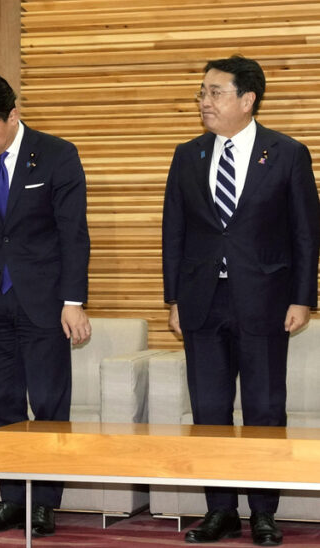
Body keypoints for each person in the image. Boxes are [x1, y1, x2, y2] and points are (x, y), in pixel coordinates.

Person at [163, 55, 320, 547]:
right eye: (201, 93)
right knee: (209, 409)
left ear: (247, 99)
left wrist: (303, 298)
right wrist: (173, 299)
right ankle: (220, 510)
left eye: (213, 92)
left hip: (268, 300)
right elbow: (175, 232)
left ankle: (264, 513)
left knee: (265, 408)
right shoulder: (188, 154)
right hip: (202, 301)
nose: (203, 101)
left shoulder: (287, 153)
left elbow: (305, 233)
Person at [0, 73, 91, 538]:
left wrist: (73, 301)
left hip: (45, 302)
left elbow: (73, 234)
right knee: (3, 404)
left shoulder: (56, 154)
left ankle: (45, 503)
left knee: (48, 403)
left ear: (13, 115)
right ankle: (12, 500)